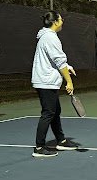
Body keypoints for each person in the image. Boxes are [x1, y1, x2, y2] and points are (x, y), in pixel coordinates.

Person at [31, 11, 81, 158]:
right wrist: (69, 82)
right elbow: (59, 61)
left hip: (47, 80)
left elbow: (55, 60)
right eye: (61, 19)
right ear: (55, 22)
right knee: (48, 113)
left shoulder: (47, 37)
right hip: (46, 81)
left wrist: (68, 67)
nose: (62, 21)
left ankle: (61, 140)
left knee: (55, 111)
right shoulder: (50, 38)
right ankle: (39, 147)